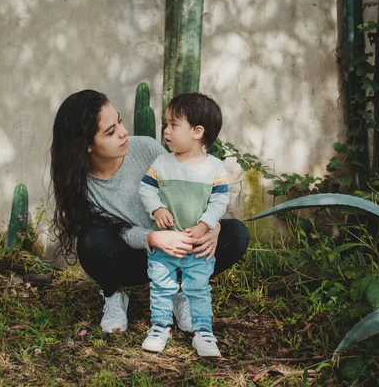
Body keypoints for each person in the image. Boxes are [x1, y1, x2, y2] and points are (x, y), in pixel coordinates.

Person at [49, 89, 250, 340]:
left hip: (179, 245)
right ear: (87, 144)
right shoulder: (80, 185)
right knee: (92, 243)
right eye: (110, 132)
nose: (123, 132)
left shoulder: (144, 147)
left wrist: (213, 227)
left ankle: (180, 290)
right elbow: (117, 230)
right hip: (134, 257)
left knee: (237, 235)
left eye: (119, 121)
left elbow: (195, 192)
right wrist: (153, 238)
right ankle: (114, 295)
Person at [139, 92, 228, 357]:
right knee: (161, 285)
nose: (166, 131)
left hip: (197, 245)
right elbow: (146, 189)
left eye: (173, 125)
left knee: (199, 288)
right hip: (166, 244)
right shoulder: (162, 163)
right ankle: (160, 327)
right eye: (166, 124)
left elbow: (220, 201)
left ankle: (204, 333)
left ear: (197, 132)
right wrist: (157, 207)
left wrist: (206, 225)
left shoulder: (214, 168)